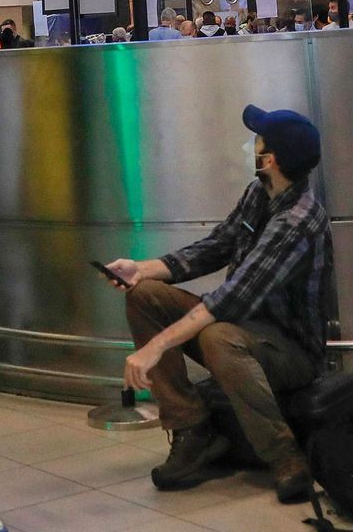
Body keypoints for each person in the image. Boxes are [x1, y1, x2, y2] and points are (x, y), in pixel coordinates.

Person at [103, 106, 330, 503]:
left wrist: (155, 347)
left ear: (270, 159)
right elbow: (215, 247)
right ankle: (191, 428)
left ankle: (285, 456)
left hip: (290, 352)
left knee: (218, 335)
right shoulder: (260, 193)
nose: (249, 145)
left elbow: (230, 299)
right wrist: (140, 269)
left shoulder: (298, 220)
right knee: (145, 295)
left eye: (256, 140)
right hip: (241, 328)